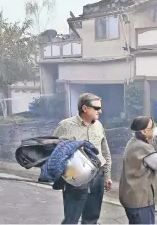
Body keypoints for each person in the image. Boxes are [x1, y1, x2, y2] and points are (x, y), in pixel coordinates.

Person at [51, 93, 112, 224]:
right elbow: (54, 152)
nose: (100, 111)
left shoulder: (99, 125)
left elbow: (105, 153)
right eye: (96, 108)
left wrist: (107, 175)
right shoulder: (65, 126)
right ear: (85, 108)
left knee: (92, 217)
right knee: (71, 218)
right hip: (75, 178)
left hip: (97, 177)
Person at [119, 116, 157, 224]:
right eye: (152, 126)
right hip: (140, 201)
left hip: (132, 198)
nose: (155, 128)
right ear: (144, 131)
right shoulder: (143, 148)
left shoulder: (133, 142)